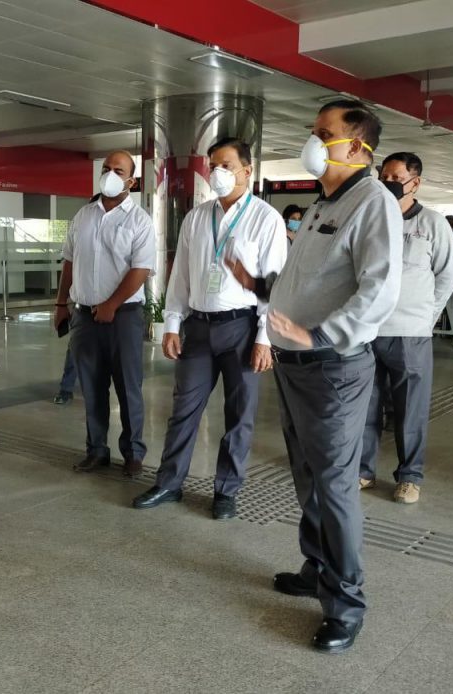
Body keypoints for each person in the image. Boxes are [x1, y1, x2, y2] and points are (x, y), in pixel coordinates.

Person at [235, 100, 402, 654]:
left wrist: (323, 335)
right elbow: (302, 281)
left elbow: (379, 289)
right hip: (293, 366)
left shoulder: (372, 202)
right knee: (307, 474)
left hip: (332, 367)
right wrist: (260, 287)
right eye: (313, 132)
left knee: (332, 486)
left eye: (323, 133)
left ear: (357, 146)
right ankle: (316, 569)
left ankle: (346, 603)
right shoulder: (319, 206)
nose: (313, 141)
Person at [132, 137, 287, 519]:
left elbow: (274, 283)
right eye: (213, 165)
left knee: (240, 414)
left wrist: (265, 338)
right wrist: (171, 323)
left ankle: (226, 491)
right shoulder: (197, 217)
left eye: (226, 165)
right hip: (198, 328)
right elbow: (180, 275)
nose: (217, 172)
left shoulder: (266, 219)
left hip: (243, 327)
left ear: (247, 171)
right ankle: (169, 483)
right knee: (184, 408)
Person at [361, 153, 453, 503]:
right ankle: (362, 470)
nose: (387, 181)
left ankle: (409, 476)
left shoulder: (432, 223)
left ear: (414, 183)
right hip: (369, 332)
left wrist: (425, 319)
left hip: (410, 335)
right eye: (382, 174)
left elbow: (447, 275)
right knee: (366, 406)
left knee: (409, 410)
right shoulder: (371, 218)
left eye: (395, 176)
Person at [54, 151, 156, 477]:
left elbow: (140, 270)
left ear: (132, 180)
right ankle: (96, 450)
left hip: (123, 317)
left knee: (129, 388)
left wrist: (111, 304)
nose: (110, 174)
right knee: (93, 387)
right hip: (85, 316)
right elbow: (69, 262)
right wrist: (60, 305)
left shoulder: (139, 220)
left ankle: (133, 453)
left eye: (118, 170)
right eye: (106, 168)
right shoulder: (83, 216)